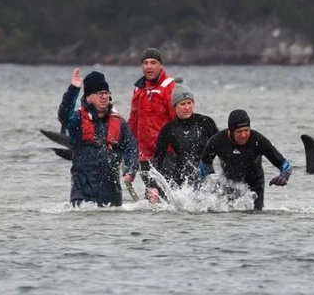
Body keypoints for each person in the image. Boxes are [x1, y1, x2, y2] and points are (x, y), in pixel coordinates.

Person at [57, 68, 138, 207]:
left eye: (106, 93)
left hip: (112, 196)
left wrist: (130, 170)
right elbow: (63, 116)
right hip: (82, 195)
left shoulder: (119, 123)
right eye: (99, 93)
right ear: (88, 97)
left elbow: (131, 147)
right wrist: (73, 89)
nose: (104, 96)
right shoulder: (77, 120)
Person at [198, 109, 292, 210]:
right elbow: (203, 166)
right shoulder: (217, 141)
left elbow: (285, 166)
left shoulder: (258, 140)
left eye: (246, 130)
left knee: (255, 215)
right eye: (239, 132)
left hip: (254, 186)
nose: (243, 135)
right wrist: (204, 188)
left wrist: (284, 176)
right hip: (229, 184)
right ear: (230, 130)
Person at [150, 81, 219, 199]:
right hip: (181, 182)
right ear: (174, 106)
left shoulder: (206, 122)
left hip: (206, 177)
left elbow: (222, 147)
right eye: (182, 104)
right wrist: (154, 186)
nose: (187, 107)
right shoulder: (169, 129)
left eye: (189, 103)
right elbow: (158, 159)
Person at [129, 47, 177, 196]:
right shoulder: (138, 89)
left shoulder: (169, 86)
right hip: (144, 155)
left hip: (166, 153)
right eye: (145, 63)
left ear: (160, 65)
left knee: (161, 195)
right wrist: (127, 146)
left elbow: (177, 120)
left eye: (153, 62)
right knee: (150, 196)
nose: (149, 66)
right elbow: (133, 120)